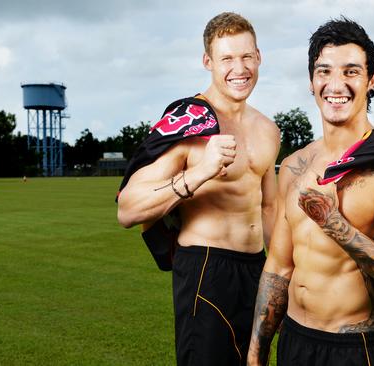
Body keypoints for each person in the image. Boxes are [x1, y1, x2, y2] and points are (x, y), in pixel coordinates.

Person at [247, 18, 374, 366]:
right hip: (294, 342)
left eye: (351, 71)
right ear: (311, 82)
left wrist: (333, 223)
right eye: (324, 71)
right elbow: (279, 266)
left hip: (355, 350)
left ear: (372, 81)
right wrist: (257, 352)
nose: (335, 84)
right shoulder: (296, 165)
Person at [117, 12, 280, 366]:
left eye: (247, 56)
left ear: (259, 56)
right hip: (207, 270)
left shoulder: (269, 129)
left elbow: (270, 209)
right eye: (227, 59)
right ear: (208, 62)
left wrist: (282, 271)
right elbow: (128, 209)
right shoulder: (190, 123)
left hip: (256, 267)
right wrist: (200, 173)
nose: (240, 68)